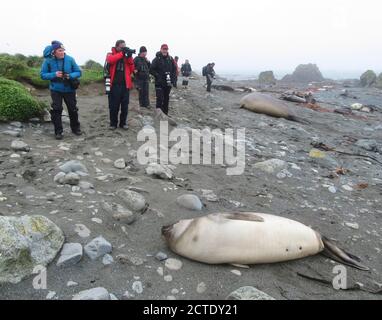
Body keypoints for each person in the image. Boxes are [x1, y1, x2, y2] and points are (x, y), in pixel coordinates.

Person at [40, 41, 82, 140]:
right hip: (55, 90)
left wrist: (70, 75)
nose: (62, 52)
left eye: (63, 50)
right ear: (54, 52)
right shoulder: (48, 61)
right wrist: (54, 74)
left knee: (73, 109)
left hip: (70, 89)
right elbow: (42, 75)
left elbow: (79, 72)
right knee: (57, 110)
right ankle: (58, 132)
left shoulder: (70, 59)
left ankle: (76, 128)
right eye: (60, 50)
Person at [105, 40, 135, 130]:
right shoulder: (110, 54)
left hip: (125, 85)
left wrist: (129, 57)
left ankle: (123, 123)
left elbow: (132, 68)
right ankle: (113, 124)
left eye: (125, 47)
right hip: (114, 85)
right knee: (114, 106)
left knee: (125, 106)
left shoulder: (125, 57)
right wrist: (122, 53)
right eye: (122, 47)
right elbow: (110, 60)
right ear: (117, 47)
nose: (124, 48)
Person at [150, 44, 177, 116]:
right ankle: (158, 115)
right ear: (161, 49)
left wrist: (173, 80)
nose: (165, 50)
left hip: (168, 83)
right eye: (164, 49)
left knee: (166, 99)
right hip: (159, 83)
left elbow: (174, 70)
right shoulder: (156, 59)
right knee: (159, 99)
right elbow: (151, 69)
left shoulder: (171, 59)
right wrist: (158, 75)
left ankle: (165, 114)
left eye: (166, 49)